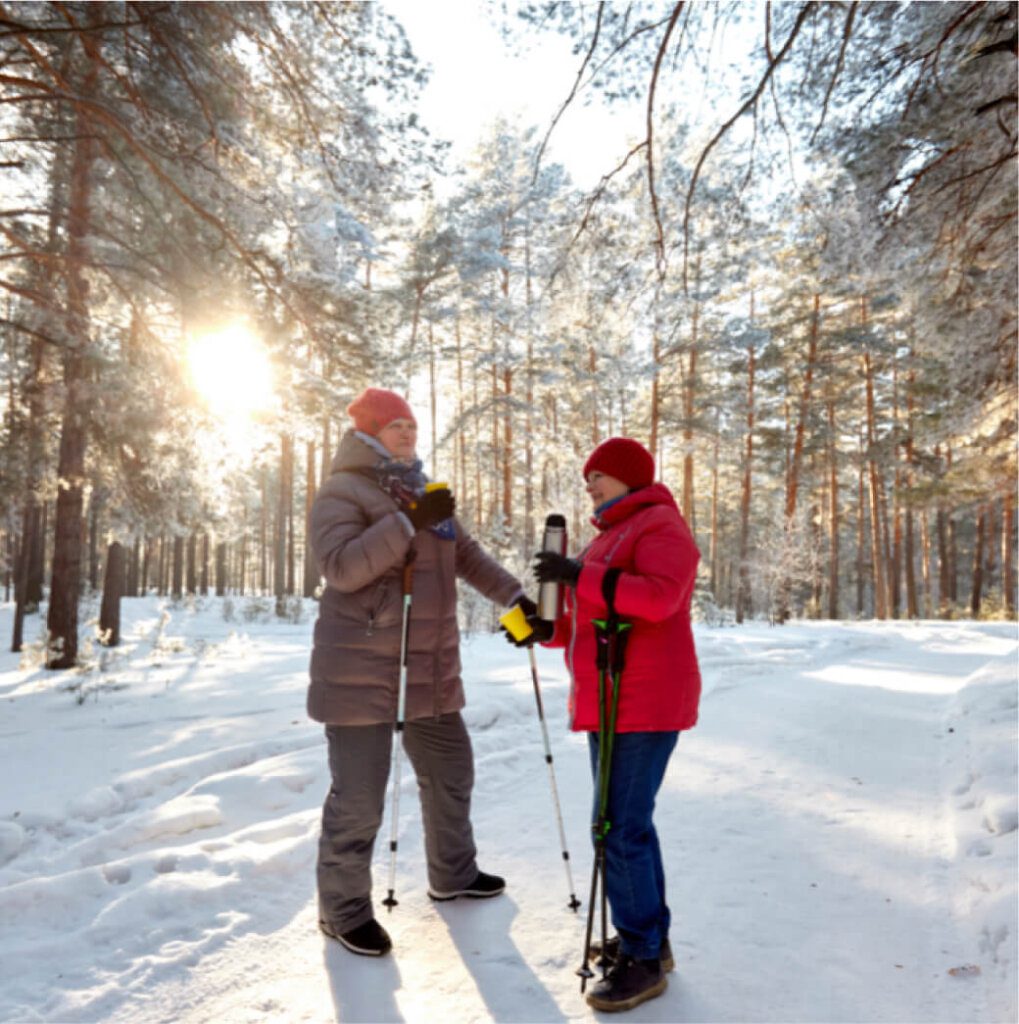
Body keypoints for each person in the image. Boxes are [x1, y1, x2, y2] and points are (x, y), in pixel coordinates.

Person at [308, 387, 531, 958]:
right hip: (361, 670)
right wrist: (406, 523)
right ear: (368, 432)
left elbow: (468, 557)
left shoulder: (425, 493)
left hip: (428, 671)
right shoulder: (342, 491)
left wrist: (514, 597)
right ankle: (343, 911)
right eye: (395, 425)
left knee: (452, 771)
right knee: (359, 798)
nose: (407, 433)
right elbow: (342, 567)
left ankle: (453, 874)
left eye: (411, 425)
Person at [523, 436, 701, 1013]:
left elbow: (659, 598)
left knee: (617, 826)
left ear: (630, 476)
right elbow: (594, 615)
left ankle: (643, 957)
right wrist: (542, 627)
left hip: (644, 700)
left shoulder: (660, 526)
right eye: (587, 479)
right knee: (625, 825)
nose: (590, 485)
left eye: (598, 475)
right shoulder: (609, 535)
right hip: (611, 695)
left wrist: (579, 574)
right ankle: (648, 938)